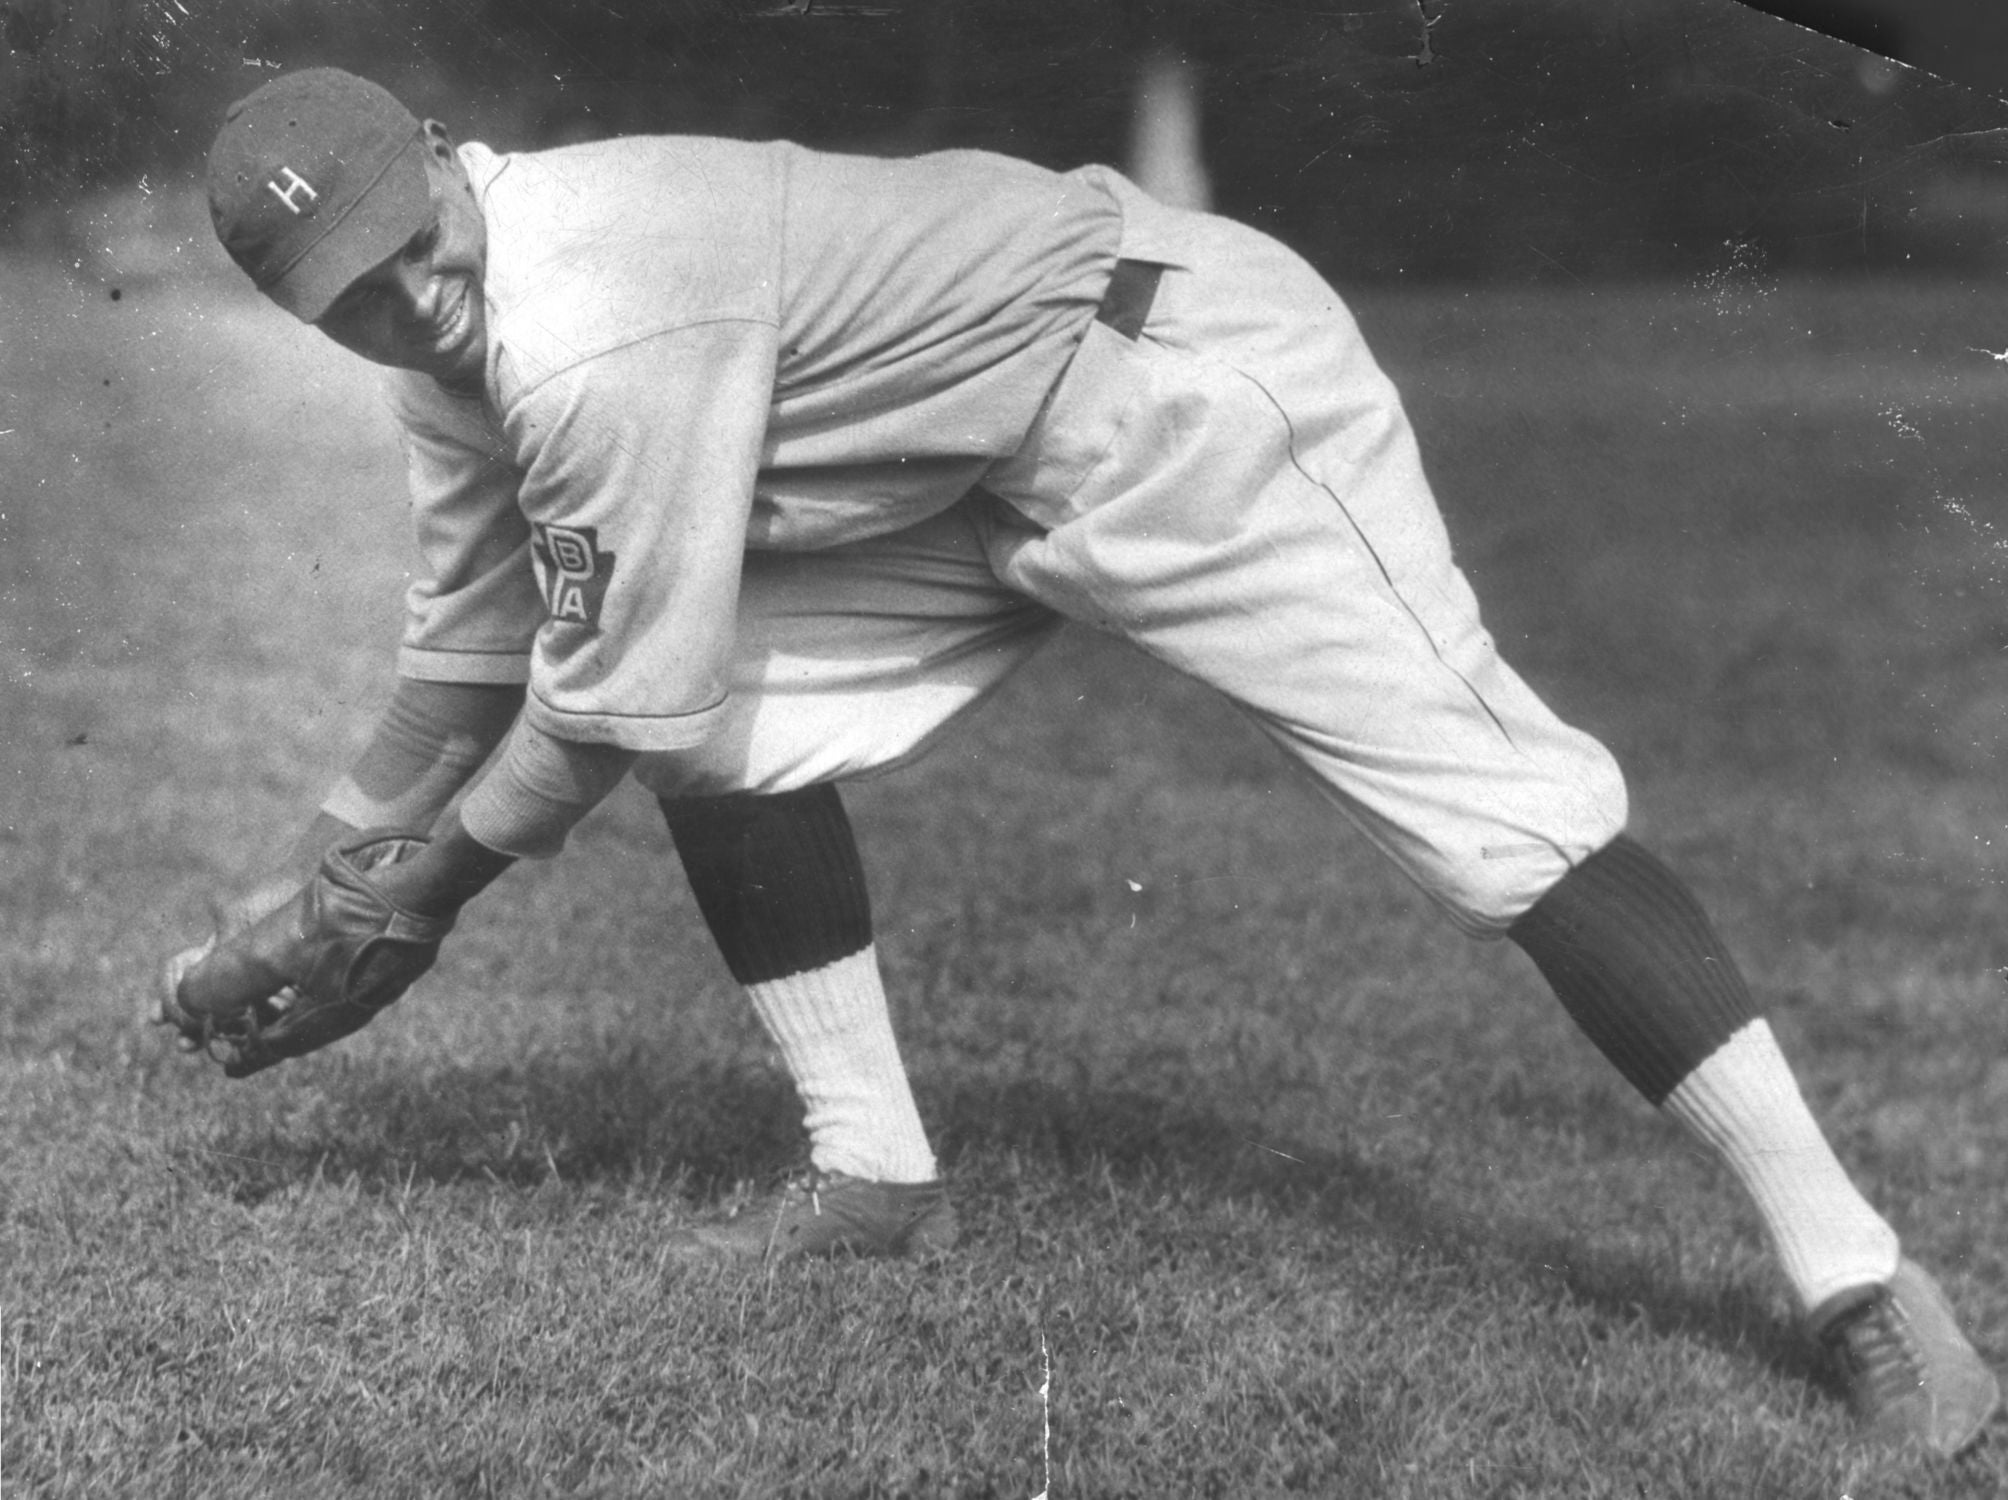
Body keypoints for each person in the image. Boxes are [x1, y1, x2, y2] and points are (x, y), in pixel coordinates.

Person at [172, 67, 1995, 1455]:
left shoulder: (584, 311)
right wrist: (314, 875)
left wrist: (406, 912)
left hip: (1178, 382)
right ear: (304, 316)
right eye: (353, 295)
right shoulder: (455, 363)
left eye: (414, 244)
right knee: (723, 724)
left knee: (1501, 828)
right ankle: (873, 1175)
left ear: (441, 154)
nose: (409, 302)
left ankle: (1853, 1271)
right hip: (959, 463)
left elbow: (591, 706)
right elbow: (464, 659)